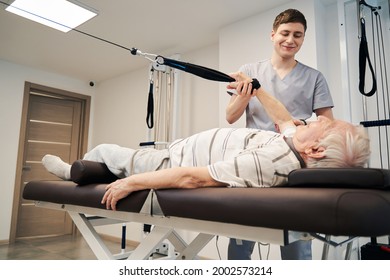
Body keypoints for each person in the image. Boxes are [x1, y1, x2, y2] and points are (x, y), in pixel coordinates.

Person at [42, 74, 370, 215]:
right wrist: (255, 89)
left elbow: (193, 178)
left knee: (105, 151)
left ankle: (74, 173)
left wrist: (132, 182)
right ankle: (106, 171)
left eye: (324, 123)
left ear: (316, 150)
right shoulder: (293, 145)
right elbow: (285, 119)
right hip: (177, 151)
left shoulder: (271, 161)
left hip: (168, 164)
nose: (317, 118)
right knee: (118, 159)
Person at [225, 9, 334, 260]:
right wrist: (245, 94)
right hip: (254, 158)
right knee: (242, 236)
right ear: (273, 35)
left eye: (298, 35)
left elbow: (328, 123)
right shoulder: (250, 70)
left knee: (295, 237)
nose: (290, 40)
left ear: (303, 39)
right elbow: (231, 116)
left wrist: (304, 122)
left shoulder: (314, 77)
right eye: (285, 33)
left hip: (293, 159)